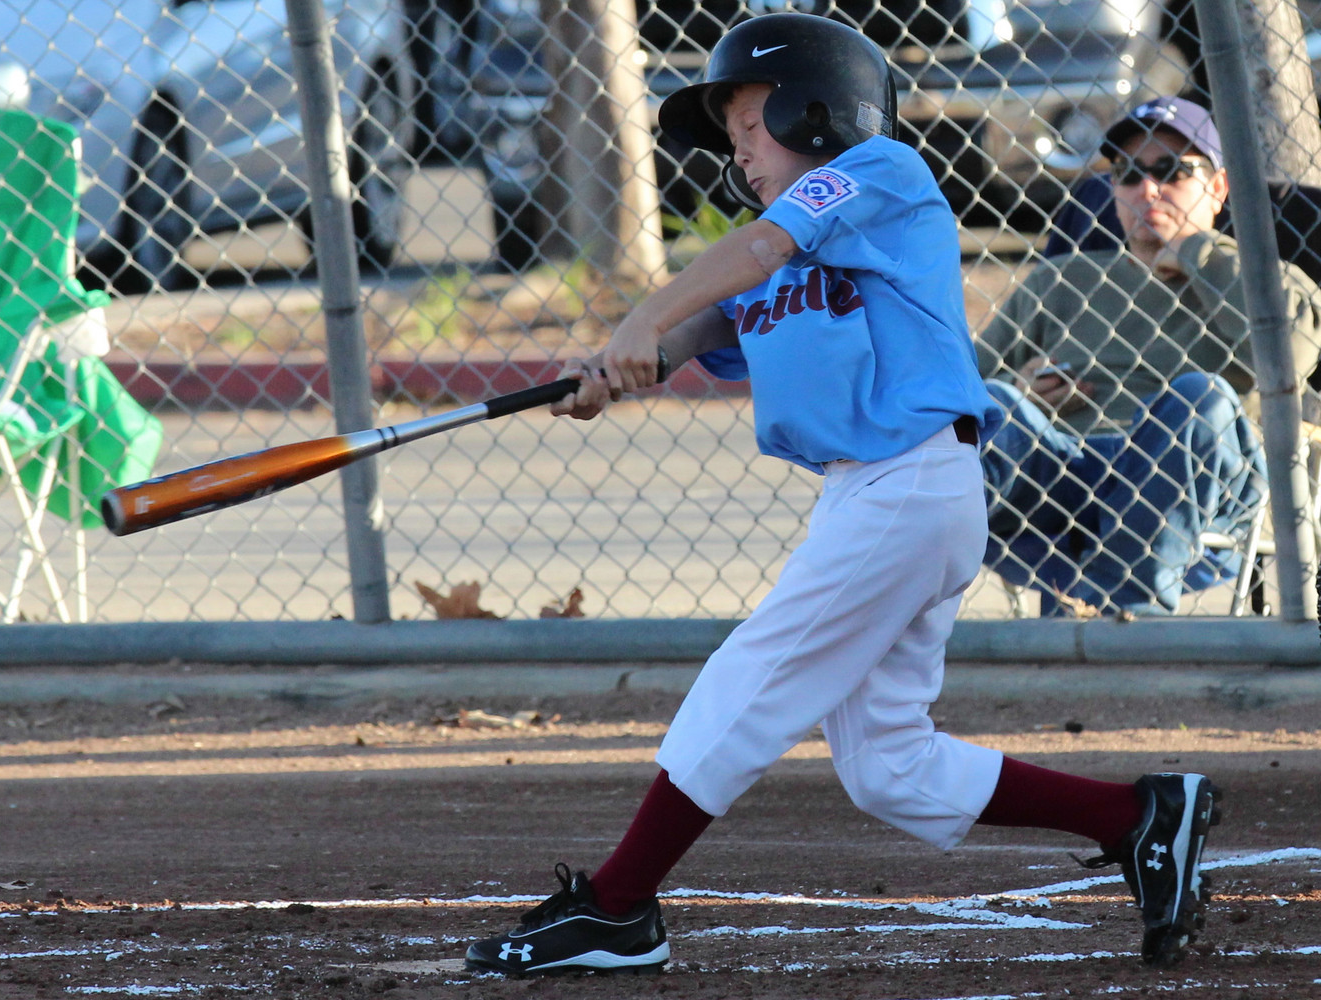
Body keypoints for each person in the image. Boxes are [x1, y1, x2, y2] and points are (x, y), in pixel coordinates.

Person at [462, 15, 1220, 977]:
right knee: (889, 767)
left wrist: (641, 315)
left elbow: (753, 253)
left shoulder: (879, 173)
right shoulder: (787, 249)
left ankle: (617, 907)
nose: (739, 152)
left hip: (909, 480)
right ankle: (1139, 815)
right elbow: (712, 322)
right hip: (878, 496)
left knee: (750, 679)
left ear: (815, 110)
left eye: (750, 124)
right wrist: (616, 368)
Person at [977, 96, 1321, 616]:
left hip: (1200, 485)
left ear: (1218, 187)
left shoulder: (1262, 280)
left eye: (1172, 170)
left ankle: (1115, 615)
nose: (1148, 189)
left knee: (1200, 396)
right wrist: (1022, 391)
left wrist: (1194, 251)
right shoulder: (1063, 280)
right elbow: (956, 391)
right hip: (1068, 473)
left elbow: (1293, 354)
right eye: (1128, 173)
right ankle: (895, 608)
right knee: (992, 404)